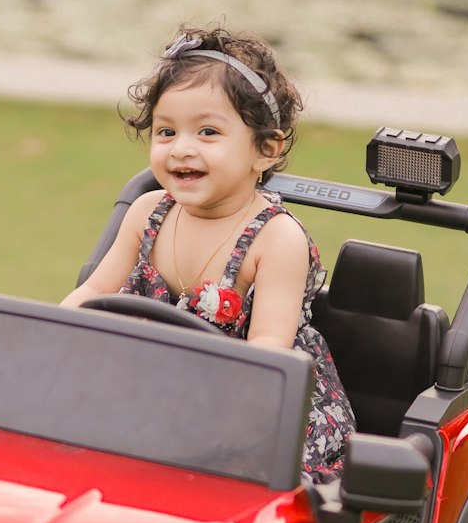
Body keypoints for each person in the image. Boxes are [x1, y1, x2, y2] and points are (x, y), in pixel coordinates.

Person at [62, 26, 355, 483]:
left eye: (208, 132)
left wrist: (192, 413)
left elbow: (267, 356)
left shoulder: (276, 240)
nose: (181, 148)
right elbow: (97, 289)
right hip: (150, 389)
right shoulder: (146, 212)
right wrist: (57, 331)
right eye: (166, 131)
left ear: (265, 149)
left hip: (251, 413)